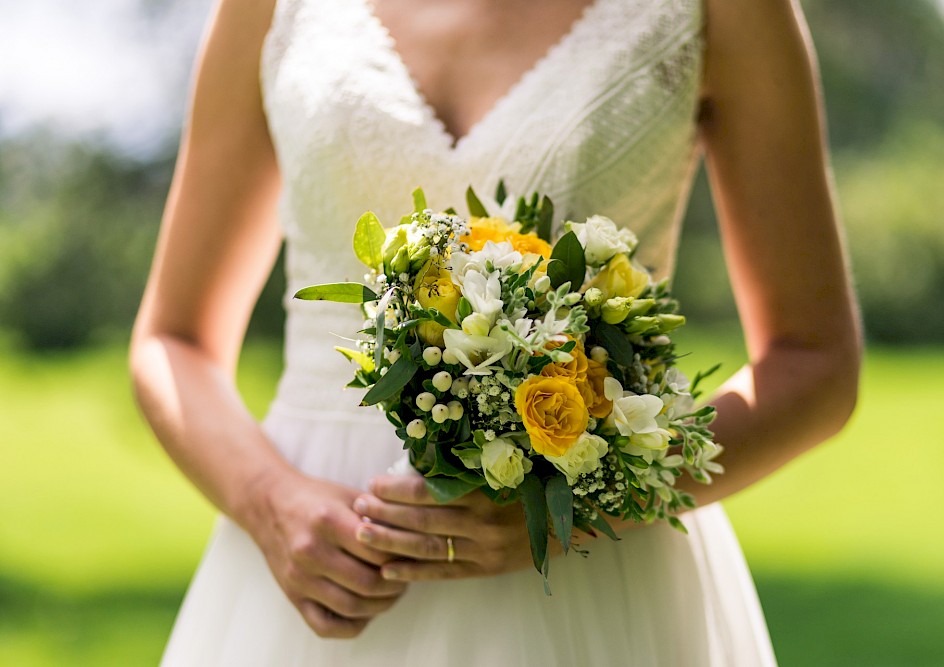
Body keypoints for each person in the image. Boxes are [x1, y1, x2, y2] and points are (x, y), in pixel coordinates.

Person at [130, 0, 860, 664]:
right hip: (310, 565)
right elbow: (175, 339)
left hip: (592, 587)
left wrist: (590, 506)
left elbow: (815, 359)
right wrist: (269, 501)